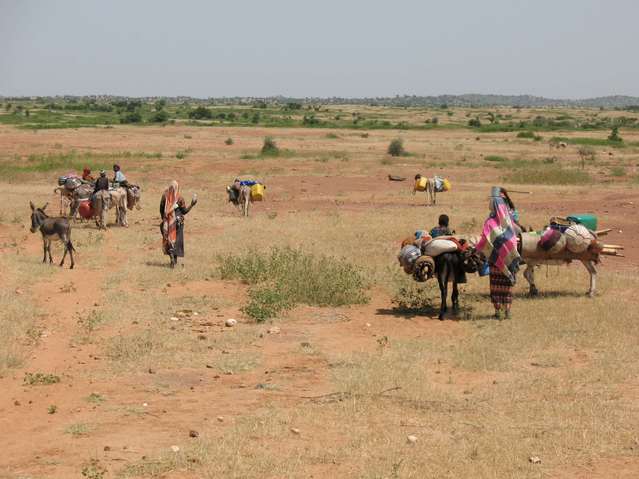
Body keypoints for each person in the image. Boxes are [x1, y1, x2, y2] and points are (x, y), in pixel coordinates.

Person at [476, 187, 521, 320]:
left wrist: (477, 249)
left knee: (496, 286)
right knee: (507, 286)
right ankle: (507, 312)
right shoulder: (511, 224)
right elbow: (513, 242)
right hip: (508, 260)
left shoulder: (489, 223)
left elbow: (485, 241)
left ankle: (498, 312)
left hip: (495, 262)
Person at [160, 181, 197, 268]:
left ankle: (171, 258)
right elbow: (184, 212)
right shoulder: (179, 198)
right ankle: (175, 260)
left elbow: (161, 210)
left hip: (167, 223)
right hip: (178, 222)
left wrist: (165, 220)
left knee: (168, 241)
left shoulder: (164, 197)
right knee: (176, 241)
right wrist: (192, 204)